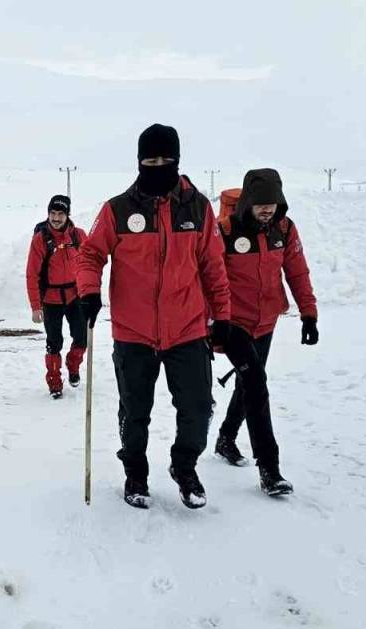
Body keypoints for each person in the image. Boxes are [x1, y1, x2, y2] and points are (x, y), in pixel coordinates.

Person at [75, 123, 232, 510]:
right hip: (134, 332)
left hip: (188, 329)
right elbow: (91, 254)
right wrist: (88, 291)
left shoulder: (198, 209)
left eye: (165, 160)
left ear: (177, 161)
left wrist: (223, 318)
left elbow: (213, 267)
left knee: (197, 407)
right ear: (139, 161)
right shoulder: (118, 209)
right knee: (135, 411)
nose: (158, 165)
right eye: (150, 159)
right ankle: (136, 474)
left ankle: (185, 467)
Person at [213, 168, 318, 496]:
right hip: (234, 323)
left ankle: (226, 438)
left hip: (267, 320)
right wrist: (212, 321)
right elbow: (209, 277)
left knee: (249, 382)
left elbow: (297, 271)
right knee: (257, 383)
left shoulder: (284, 229)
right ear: (247, 201)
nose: (266, 209)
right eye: (260, 203)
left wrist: (308, 313)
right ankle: (269, 469)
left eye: (272, 203)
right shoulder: (226, 231)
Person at [26, 194, 89, 398]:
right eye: (52, 213)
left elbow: (90, 264)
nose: (56, 218)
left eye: (60, 214)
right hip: (50, 299)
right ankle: (54, 382)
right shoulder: (41, 239)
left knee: (81, 338)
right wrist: (36, 307)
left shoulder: (78, 236)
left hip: (75, 296)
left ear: (67, 215)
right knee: (54, 342)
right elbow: (32, 274)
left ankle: (73, 365)